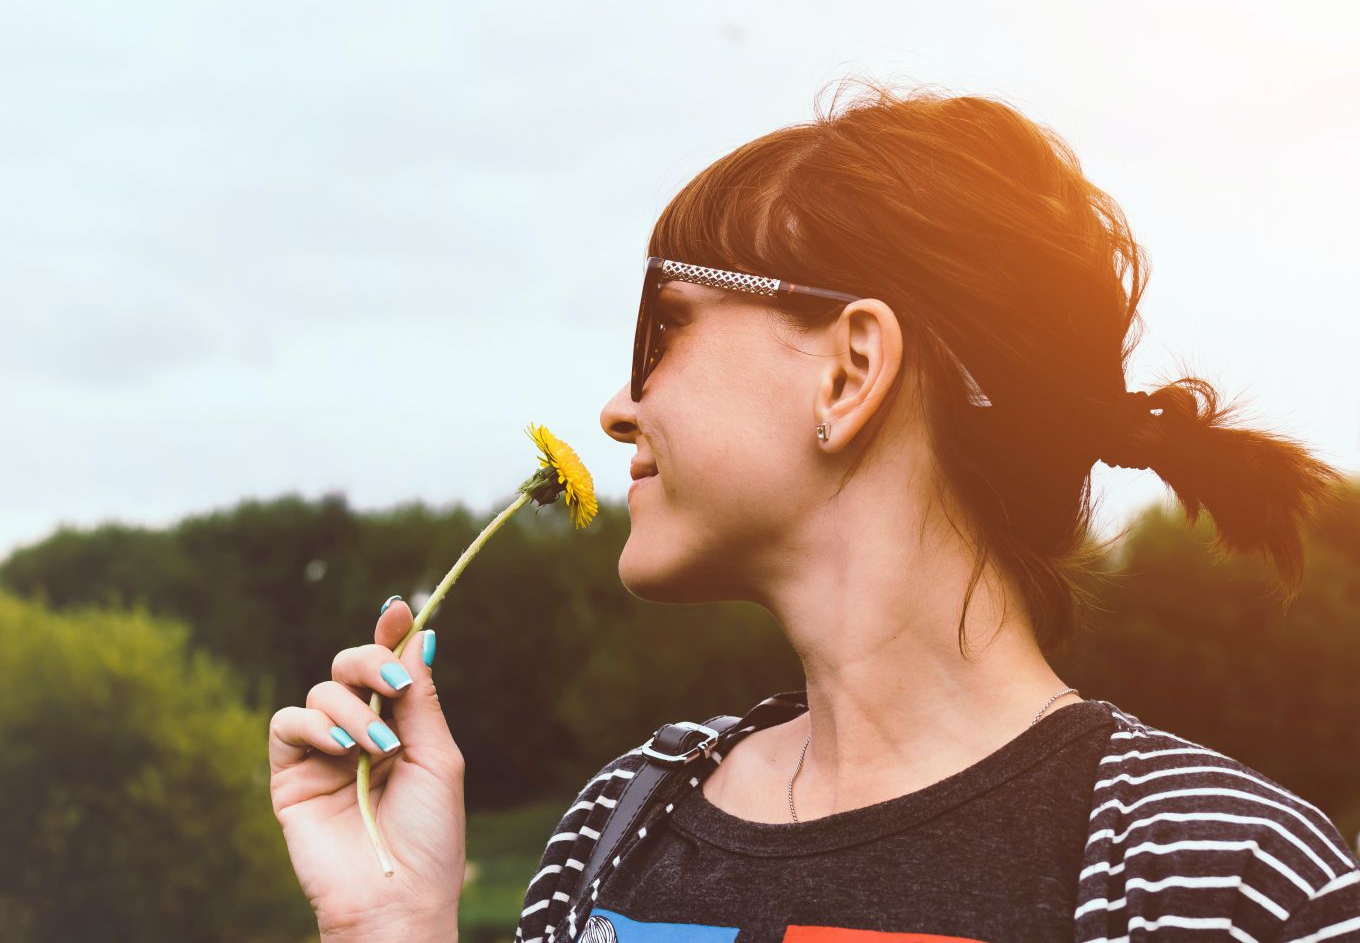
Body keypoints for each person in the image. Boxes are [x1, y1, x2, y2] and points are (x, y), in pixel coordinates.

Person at [266, 78, 1360, 942]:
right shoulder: (617, 823)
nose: (614, 406)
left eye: (664, 327)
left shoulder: (1224, 880)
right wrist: (392, 925)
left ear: (850, 370)